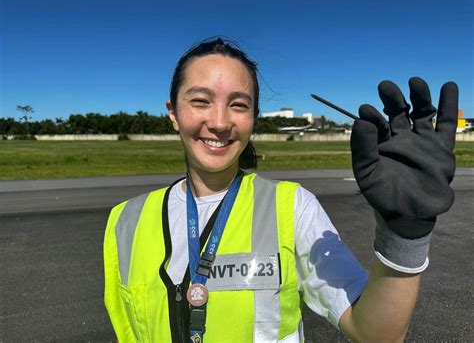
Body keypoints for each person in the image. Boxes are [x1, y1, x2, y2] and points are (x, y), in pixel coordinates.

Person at [103, 38, 458, 342]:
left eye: (238, 104)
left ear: (253, 118)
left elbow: (376, 333)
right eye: (200, 101)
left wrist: (404, 236)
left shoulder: (291, 206)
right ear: (173, 112)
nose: (220, 122)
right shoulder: (125, 222)